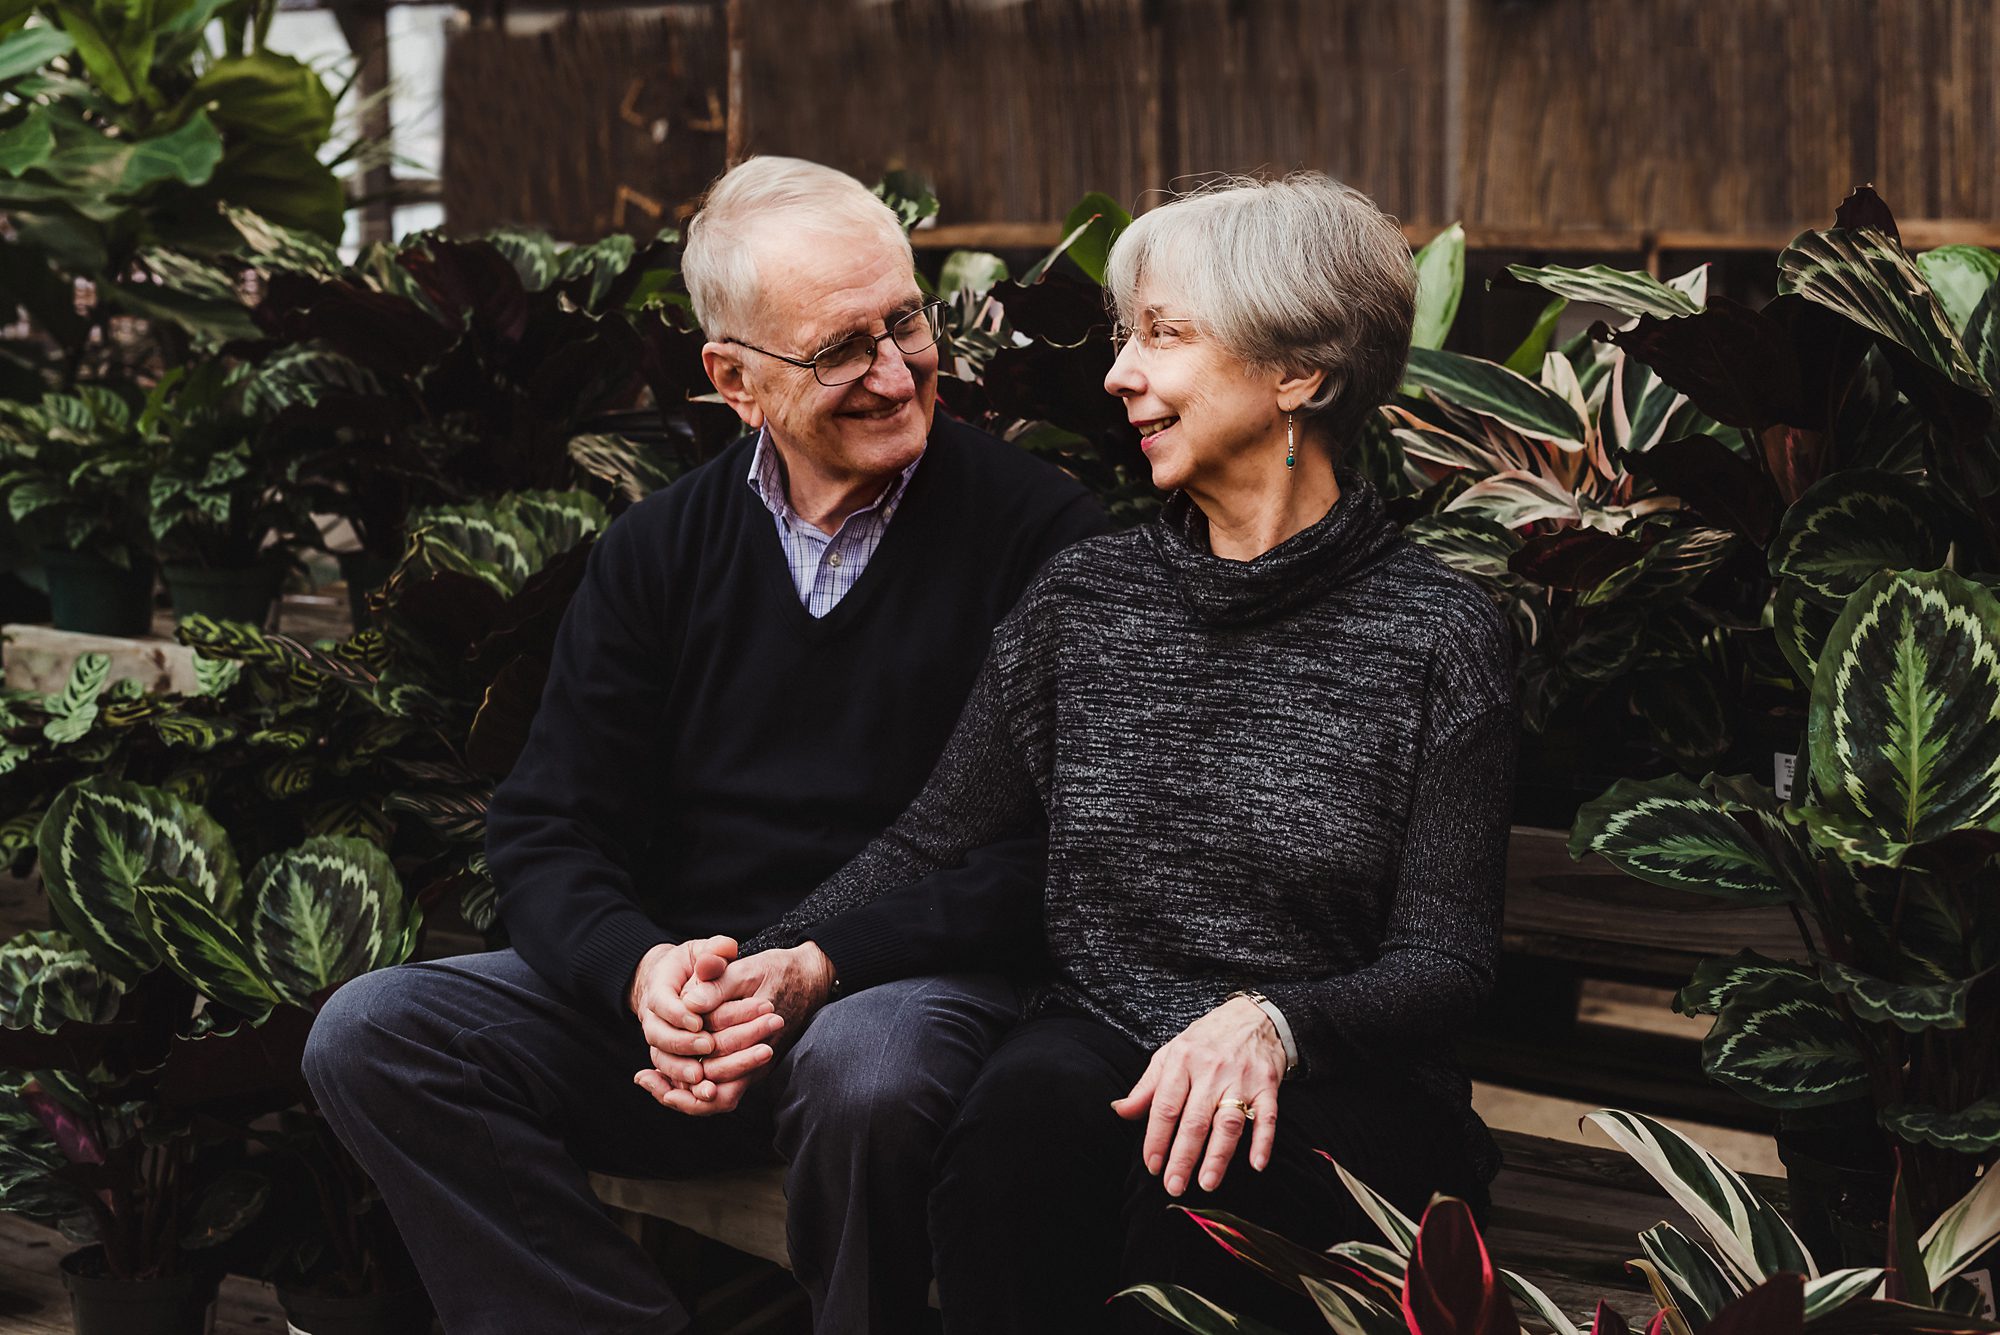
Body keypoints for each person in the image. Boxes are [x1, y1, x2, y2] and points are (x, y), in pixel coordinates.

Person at [300, 156, 1105, 1335]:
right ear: (732, 380)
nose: (895, 371)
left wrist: (820, 964)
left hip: (899, 997)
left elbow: (1074, 849)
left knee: (863, 1071)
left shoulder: (1040, 536)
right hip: (689, 1016)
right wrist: (644, 972)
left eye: (904, 323)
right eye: (841, 350)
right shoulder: (656, 551)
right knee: (372, 1034)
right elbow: (546, 824)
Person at [725, 172, 1517, 1333]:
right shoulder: (1086, 598)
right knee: (1015, 1140)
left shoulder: (1439, 632)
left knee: (1206, 1202)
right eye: (1122, 338)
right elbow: (935, 835)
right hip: (1099, 1046)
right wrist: (780, 961)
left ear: (1296, 373)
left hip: (1339, 1080)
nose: (1118, 375)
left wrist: (1275, 1022)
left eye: (1163, 336)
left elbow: (1445, 958)